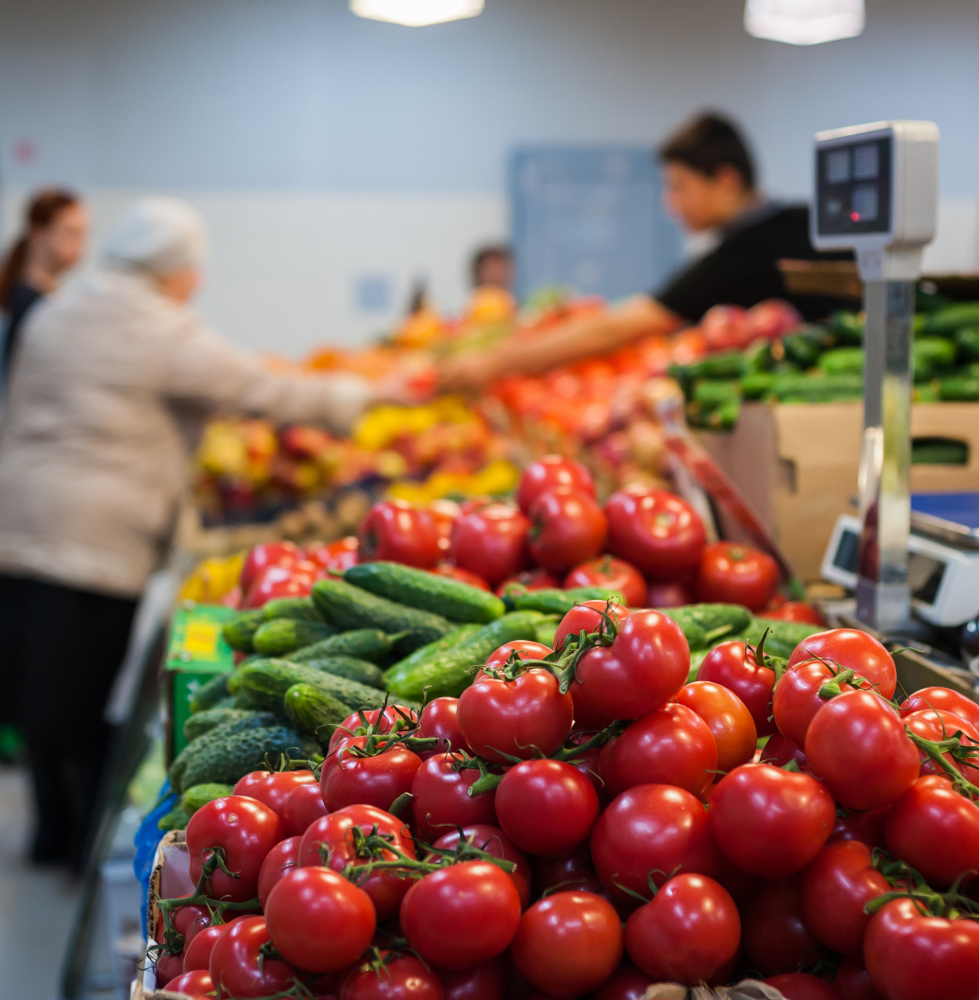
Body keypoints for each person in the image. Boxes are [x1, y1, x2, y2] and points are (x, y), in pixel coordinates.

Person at [0, 197, 402, 868]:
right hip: (98, 539)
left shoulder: (59, 310)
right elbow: (264, 391)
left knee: (37, 686)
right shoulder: (161, 328)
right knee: (83, 695)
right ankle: (79, 845)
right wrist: (366, 397)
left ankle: (50, 832)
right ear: (170, 270)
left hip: (19, 519)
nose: (199, 284)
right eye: (194, 270)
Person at [438, 113, 853, 390]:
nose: (669, 204)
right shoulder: (803, 220)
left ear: (726, 179)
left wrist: (493, 364)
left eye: (679, 187)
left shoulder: (745, 253)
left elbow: (613, 330)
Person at [0, 188, 87, 388]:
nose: (79, 244)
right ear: (37, 233)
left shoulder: (48, 298)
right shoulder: (26, 303)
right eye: (70, 232)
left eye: (82, 234)